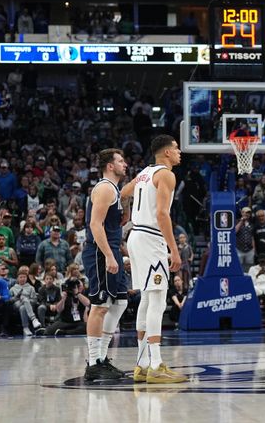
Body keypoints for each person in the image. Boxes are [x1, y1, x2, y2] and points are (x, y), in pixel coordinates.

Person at [124, 135, 186, 383]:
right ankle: (156, 365)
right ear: (167, 153)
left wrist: (128, 214)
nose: (180, 152)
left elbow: (124, 192)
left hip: (136, 236)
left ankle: (142, 364)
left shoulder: (145, 173)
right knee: (158, 300)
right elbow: (161, 214)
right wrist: (174, 249)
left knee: (147, 298)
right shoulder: (167, 175)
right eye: (176, 148)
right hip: (150, 238)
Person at [82, 148, 130, 381]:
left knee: (120, 302)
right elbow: (95, 225)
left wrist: (120, 251)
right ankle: (93, 362)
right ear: (110, 166)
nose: (125, 164)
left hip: (111, 251)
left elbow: (112, 225)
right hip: (100, 254)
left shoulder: (115, 189)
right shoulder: (103, 188)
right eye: (121, 161)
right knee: (100, 306)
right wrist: (110, 256)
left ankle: (102, 358)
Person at [10, 270, 39, 336]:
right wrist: (17, 297)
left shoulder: (31, 288)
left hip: (28, 305)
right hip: (17, 304)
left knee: (23, 307)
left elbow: (34, 300)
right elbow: (10, 301)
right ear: (17, 278)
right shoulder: (13, 288)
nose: (22, 279)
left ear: (27, 278)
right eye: (21, 277)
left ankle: (25, 328)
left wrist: (27, 300)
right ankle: (33, 319)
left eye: (24, 277)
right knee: (23, 300)